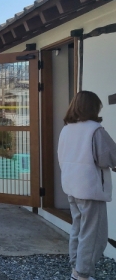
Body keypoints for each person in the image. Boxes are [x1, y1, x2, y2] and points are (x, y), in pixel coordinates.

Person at [57, 91, 115, 280]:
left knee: (78, 229)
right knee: (94, 235)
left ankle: (76, 267)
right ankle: (81, 274)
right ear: (93, 107)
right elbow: (109, 157)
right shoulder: (95, 130)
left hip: (72, 186)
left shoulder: (66, 129)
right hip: (91, 189)